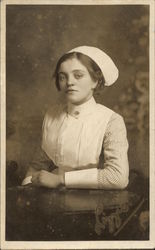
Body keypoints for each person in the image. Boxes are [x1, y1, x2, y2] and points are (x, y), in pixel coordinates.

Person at [22, 45, 129, 189]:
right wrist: (26, 188)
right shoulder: (52, 115)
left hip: (96, 201)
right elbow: (37, 166)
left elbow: (117, 177)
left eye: (78, 75)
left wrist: (61, 179)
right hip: (52, 198)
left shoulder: (111, 120)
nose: (69, 82)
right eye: (62, 77)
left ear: (95, 80)